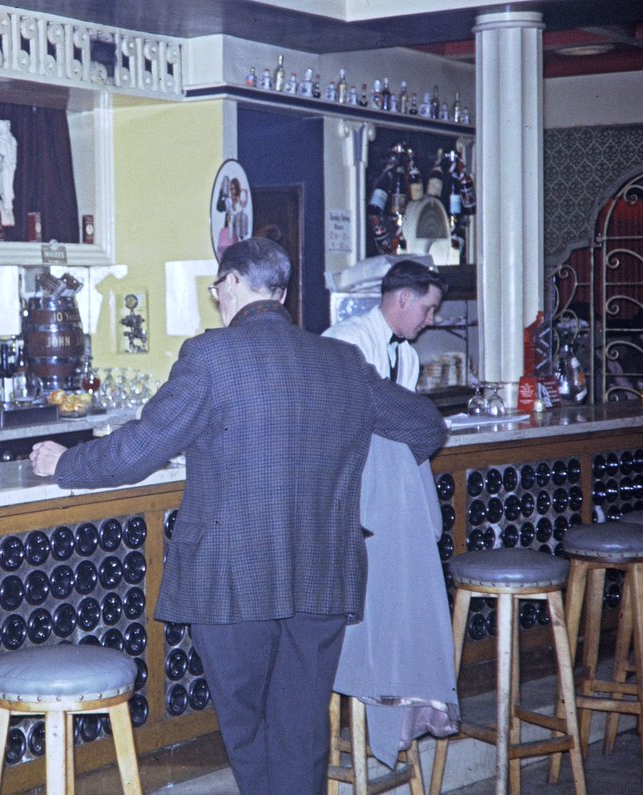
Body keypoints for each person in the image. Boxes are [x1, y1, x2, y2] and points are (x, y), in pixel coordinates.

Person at [29, 237, 446, 795]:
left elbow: (137, 451)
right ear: (281, 290)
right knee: (301, 729)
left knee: (248, 728)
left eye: (216, 290)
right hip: (323, 571)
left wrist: (64, 463)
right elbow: (424, 426)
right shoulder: (343, 360)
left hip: (233, 580)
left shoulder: (211, 356)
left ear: (229, 284)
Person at [322, 259, 447, 391]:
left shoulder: (409, 357)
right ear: (404, 298)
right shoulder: (348, 340)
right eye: (427, 309)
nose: (430, 320)